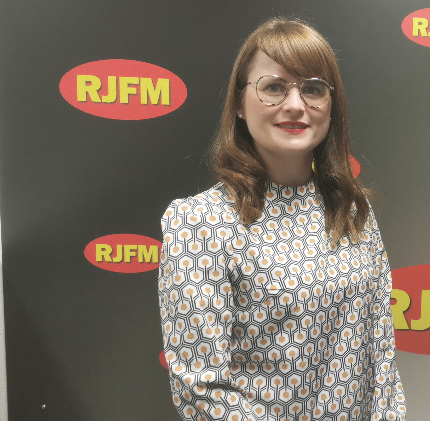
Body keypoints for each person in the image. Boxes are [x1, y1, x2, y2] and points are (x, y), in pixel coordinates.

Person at [158, 18, 405, 421]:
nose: (295, 104)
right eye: (274, 87)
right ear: (239, 104)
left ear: (331, 106)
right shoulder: (200, 222)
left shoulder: (351, 208)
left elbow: (381, 351)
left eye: (313, 89)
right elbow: (201, 388)